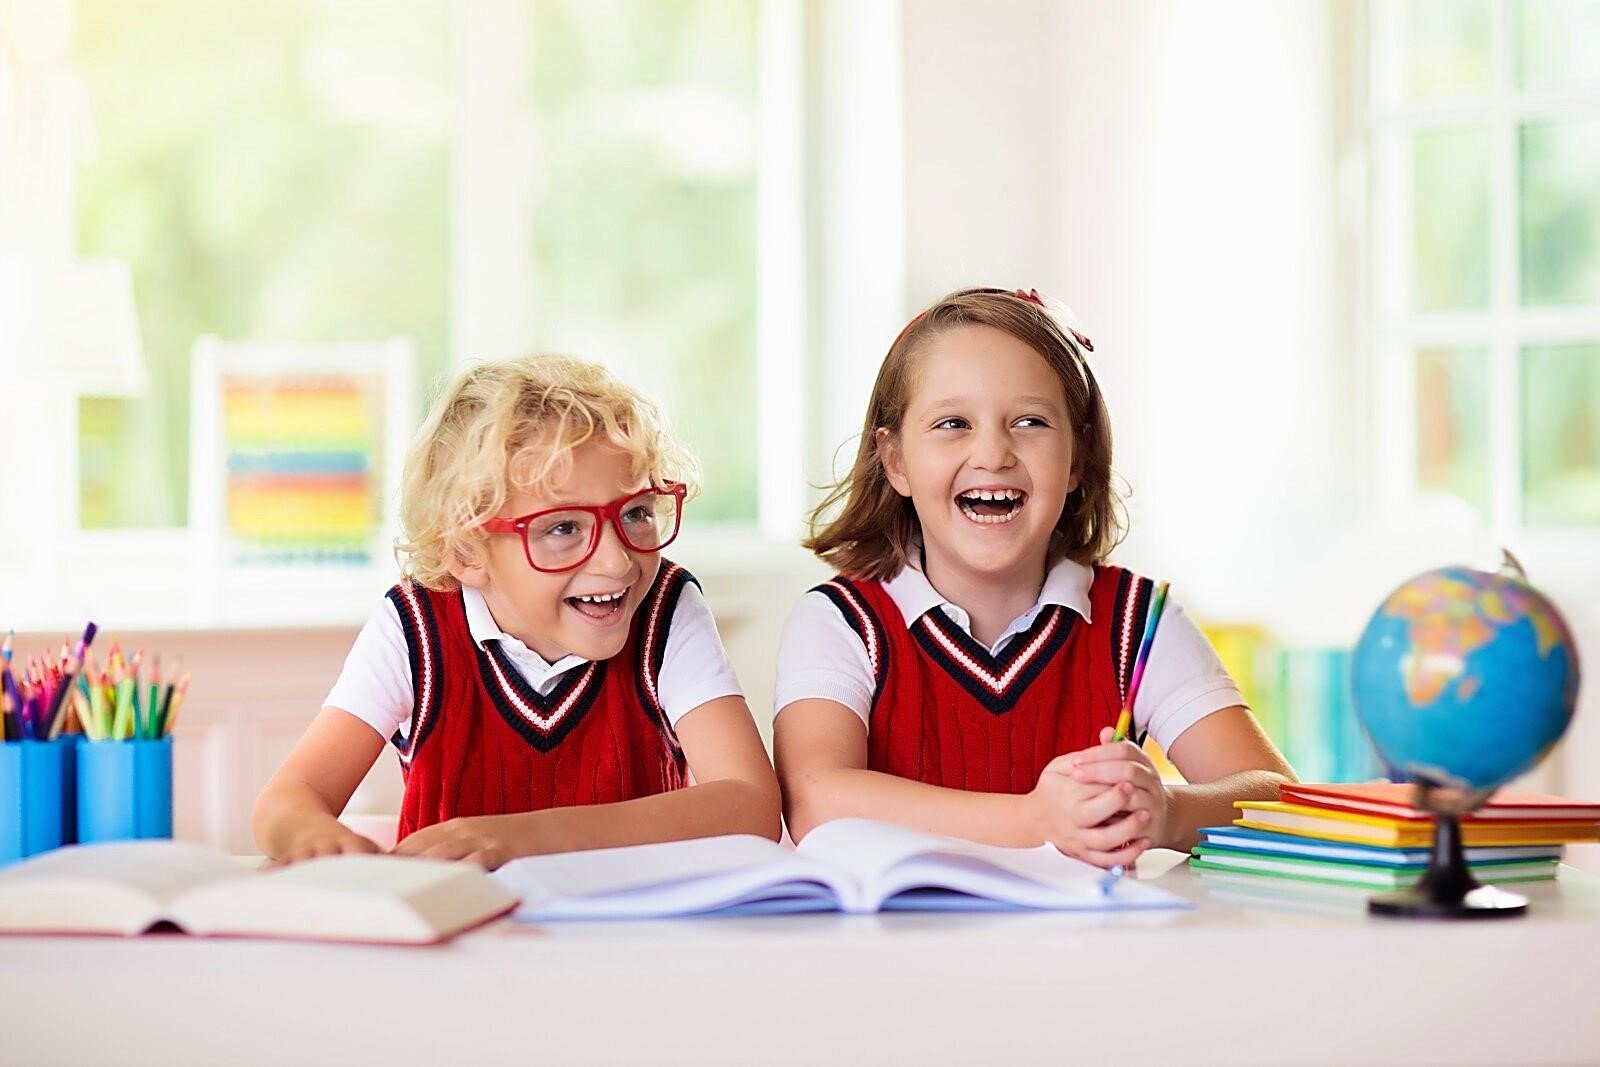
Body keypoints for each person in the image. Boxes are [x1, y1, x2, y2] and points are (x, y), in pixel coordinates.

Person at [773, 287, 1294, 867]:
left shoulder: (1137, 621)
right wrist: (1032, 819)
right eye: (952, 423)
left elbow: (1281, 798)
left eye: (1029, 421)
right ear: (895, 461)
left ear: (1077, 459)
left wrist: (1169, 813)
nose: (993, 453)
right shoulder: (840, 621)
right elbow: (815, 798)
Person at [255, 355, 781, 867]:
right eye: (564, 528)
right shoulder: (415, 625)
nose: (619, 560)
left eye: (636, 513)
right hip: (455, 945)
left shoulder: (666, 608)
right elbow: (288, 799)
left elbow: (750, 804)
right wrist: (317, 840)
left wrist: (531, 836)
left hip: (626, 939)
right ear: (466, 552)